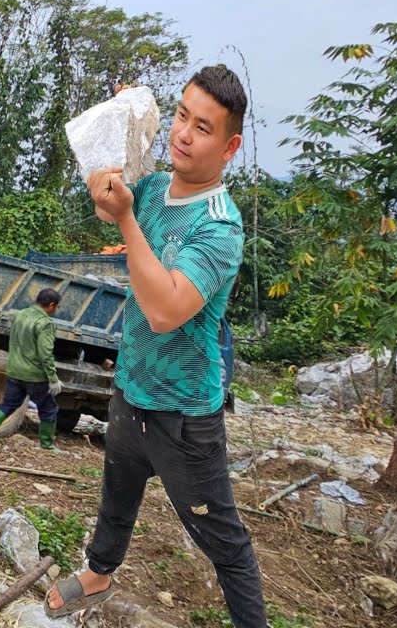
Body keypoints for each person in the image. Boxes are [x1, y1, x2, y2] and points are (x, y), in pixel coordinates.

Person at [45, 66, 264, 626]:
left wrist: (125, 221)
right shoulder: (153, 188)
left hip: (184, 417)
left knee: (224, 541)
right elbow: (108, 202)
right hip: (130, 390)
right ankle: (99, 571)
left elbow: (166, 309)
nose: (184, 134)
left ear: (230, 145)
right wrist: (118, 143)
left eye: (204, 128)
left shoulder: (220, 227)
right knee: (116, 496)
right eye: (182, 116)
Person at [0, 288, 65, 452]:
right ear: (51, 305)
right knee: (48, 408)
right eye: (56, 307)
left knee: (8, 404)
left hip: (14, 371)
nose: (55, 310)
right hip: (35, 376)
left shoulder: (20, 315)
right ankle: (47, 445)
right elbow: (45, 354)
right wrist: (53, 379)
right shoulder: (44, 323)